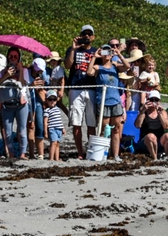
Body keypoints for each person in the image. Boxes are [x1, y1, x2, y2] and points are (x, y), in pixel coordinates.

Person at [64, 25, 98, 159]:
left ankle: (90, 150)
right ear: (80, 35)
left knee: (91, 123)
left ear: (93, 37)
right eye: (84, 34)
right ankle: (79, 152)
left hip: (91, 89)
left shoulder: (96, 52)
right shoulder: (73, 50)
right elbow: (67, 65)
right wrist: (73, 48)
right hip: (75, 88)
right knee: (76, 122)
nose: (87, 36)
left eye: (89, 34)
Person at [92, 43, 131, 160]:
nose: (107, 54)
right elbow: (89, 72)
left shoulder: (115, 65)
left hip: (115, 101)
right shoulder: (98, 67)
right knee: (103, 128)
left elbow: (127, 66)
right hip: (103, 101)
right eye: (104, 52)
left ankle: (115, 155)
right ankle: (102, 153)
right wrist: (94, 57)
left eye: (109, 52)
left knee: (116, 129)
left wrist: (119, 54)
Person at [0, 46, 31, 159]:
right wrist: (7, 75)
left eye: (15, 56)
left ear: (19, 58)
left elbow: (23, 84)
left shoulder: (24, 70)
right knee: (8, 131)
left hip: (21, 104)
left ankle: (22, 153)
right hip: (7, 105)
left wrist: (20, 71)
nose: (13, 58)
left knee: (22, 130)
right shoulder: (3, 71)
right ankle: (10, 153)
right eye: (11, 56)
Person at [134, 90, 168, 159]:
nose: (154, 102)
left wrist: (160, 113)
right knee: (151, 136)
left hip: (159, 141)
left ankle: (167, 156)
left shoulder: (162, 112)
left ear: (159, 101)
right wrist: (142, 112)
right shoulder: (143, 112)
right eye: (152, 100)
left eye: (156, 100)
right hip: (146, 142)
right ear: (148, 100)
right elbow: (137, 125)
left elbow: (166, 126)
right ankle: (155, 158)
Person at [42, 90, 65, 162]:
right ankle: (51, 158)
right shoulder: (47, 110)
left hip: (59, 128)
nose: (52, 101)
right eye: (50, 99)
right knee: (53, 143)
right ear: (46, 100)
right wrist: (46, 132)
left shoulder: (57, 109)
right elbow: (45, 122)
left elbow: (59, 119)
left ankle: (57, 158)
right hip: (52, 129)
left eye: (54, 99)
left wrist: (63, 128)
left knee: (57, 143)